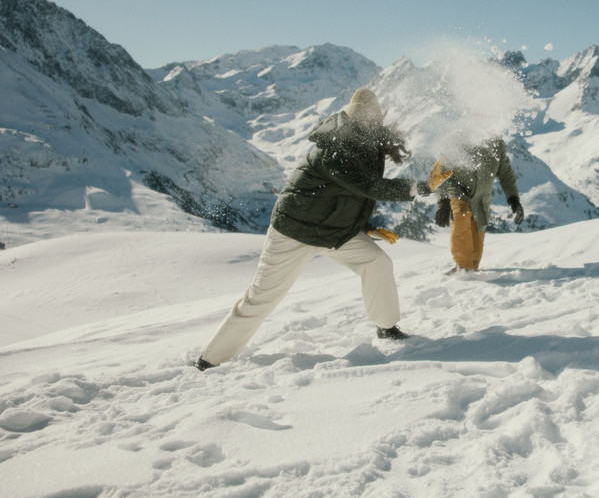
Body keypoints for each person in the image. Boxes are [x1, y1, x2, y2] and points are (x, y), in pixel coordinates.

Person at [194, 87, 452, 371]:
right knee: (262, 297)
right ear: (352, 117)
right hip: (294, 233)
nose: (369, 122)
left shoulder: (368, 143)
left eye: (373, 118)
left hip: (332, 233)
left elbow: (348, 197)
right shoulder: (335, 146)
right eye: (363, 118)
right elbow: (367, 187)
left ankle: (386, 327)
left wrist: (365, 227)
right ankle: (210, 359)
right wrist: (423, 187)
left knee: (376, 262)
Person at [434, 136, 524, 273]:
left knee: (475, 256)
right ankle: (462, 267)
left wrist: (513, 198)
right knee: (461, 214)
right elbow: (441, 171)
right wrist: (443, 201)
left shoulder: (496, 143)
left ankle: (469, 270)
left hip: (481, 199)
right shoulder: (456, 139)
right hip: (458, 190)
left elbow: (505, 172)